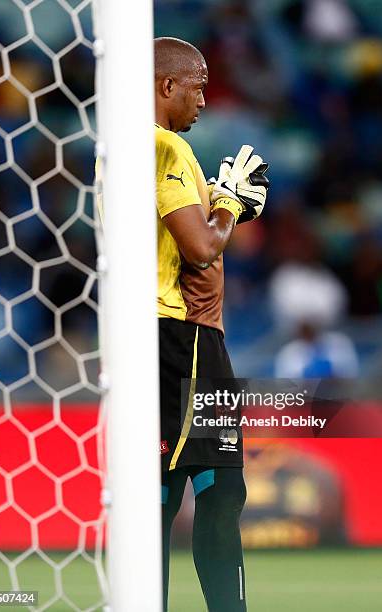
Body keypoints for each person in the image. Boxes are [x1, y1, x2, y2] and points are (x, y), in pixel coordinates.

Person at [154, 37, 269, 611]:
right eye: (197, 85)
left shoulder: (121, 149)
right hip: (183, 335)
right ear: (166, 85)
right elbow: (200, 249)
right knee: (205, 491)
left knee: (190, 487)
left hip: (166, 336)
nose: (204, 97)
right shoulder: (165, 147)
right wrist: (230, 203)